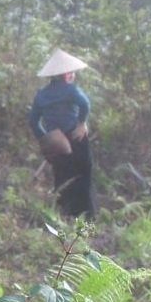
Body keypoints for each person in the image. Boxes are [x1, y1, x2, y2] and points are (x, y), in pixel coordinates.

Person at [29, 49, 95, 219]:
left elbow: (34, 122)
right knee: (83, 176)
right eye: (71, 72)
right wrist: (81, 123)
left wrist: (45, 138)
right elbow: (85, 104)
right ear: (66, 74)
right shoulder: (70, 90)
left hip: (57, 142)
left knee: (62, 177)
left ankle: (64, 215)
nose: (73, 75)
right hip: (76, 138)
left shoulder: (41, 95)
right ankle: (86, 217)